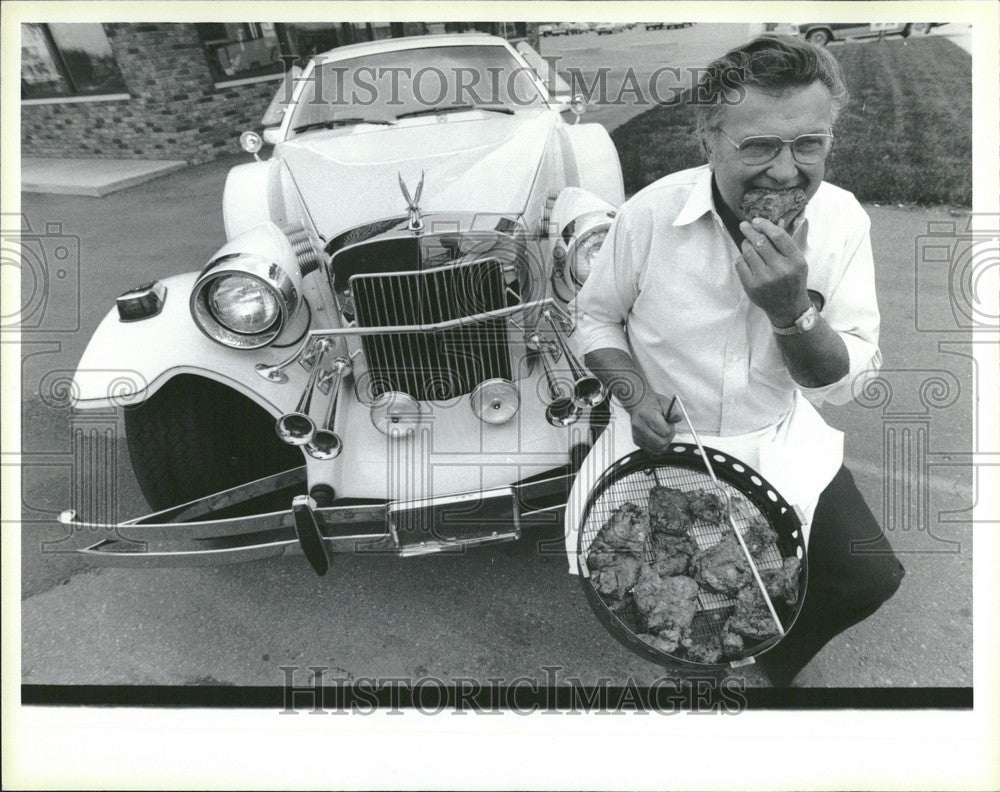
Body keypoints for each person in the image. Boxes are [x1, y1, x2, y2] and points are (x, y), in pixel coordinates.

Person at [566, 35, 905, 686]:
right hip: (664, 454)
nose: (785, 172)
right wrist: (635, 395)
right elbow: (594, 315)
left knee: (870, 575)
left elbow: (842, 381)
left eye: (808, 144)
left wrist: (791, 312)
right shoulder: (650, 217)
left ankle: (764, 654)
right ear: (708, 141)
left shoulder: (841, 223)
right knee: (690, 654)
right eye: (758, 146)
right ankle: (705, 671)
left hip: (775, 442)